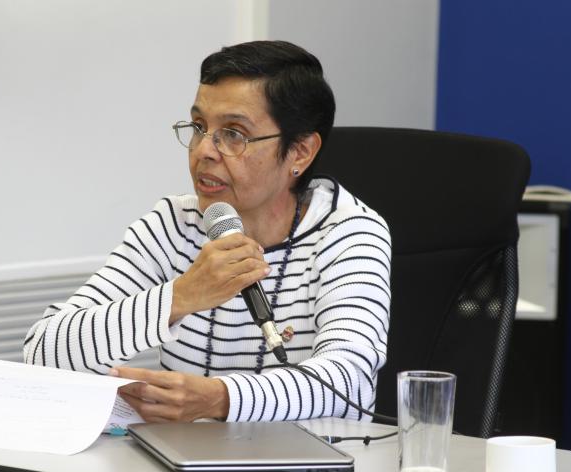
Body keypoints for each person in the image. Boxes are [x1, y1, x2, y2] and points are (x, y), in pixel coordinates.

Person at [23, 40, 391, 424]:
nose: (203, 151)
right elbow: (43, 351)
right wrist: (179, 297)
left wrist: (221, 399)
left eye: (234, 134)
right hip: (181, 456)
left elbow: (349, 382)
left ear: (300, 152)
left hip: (305, 460)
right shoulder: (173, 225)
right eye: (199, 127)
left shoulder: (348, 233)